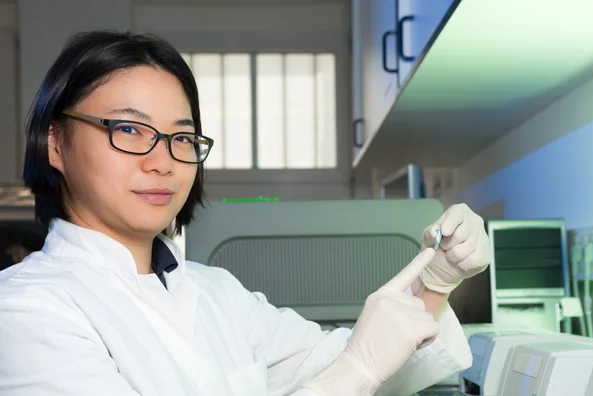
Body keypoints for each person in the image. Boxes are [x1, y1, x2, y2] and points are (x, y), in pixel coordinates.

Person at [0, 30, 491, 396]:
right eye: (128, 129)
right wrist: (357, 368)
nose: (163, 160)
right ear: (55, 144)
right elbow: (355, 370)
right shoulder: (25, 310)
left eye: (183, 137)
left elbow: (358, 366)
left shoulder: (216, 294)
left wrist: (436, 283)